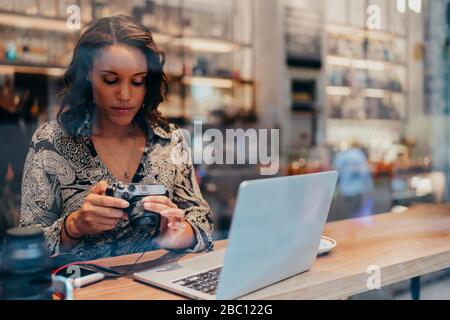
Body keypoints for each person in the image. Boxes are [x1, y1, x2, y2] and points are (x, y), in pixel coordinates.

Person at [19, 15, 214, 259]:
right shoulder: (51, 142)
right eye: (110, 80)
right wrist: (74, 226)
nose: (125, 94)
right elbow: (25, 246)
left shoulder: (169, 140)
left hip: (159, 289)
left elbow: (203, 220)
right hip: (84, 291)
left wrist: (180, 232)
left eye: (137, 81)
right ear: (88, 74)